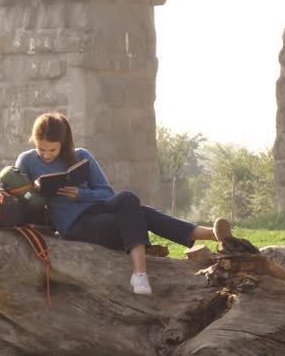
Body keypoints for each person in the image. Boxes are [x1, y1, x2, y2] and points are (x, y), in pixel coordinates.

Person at [15, 112, 235, 296]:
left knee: (128, 199)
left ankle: (141, 274)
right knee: (141, 214)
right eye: (41, 149)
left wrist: (80, 194)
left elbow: (106, 192)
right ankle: (208, 236)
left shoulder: (81, 156)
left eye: (52, 150)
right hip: (74, 226)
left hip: (97, 210)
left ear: (63, 145)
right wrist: (36, 190)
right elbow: (19, 196)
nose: (45, 155)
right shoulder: (27, 161)